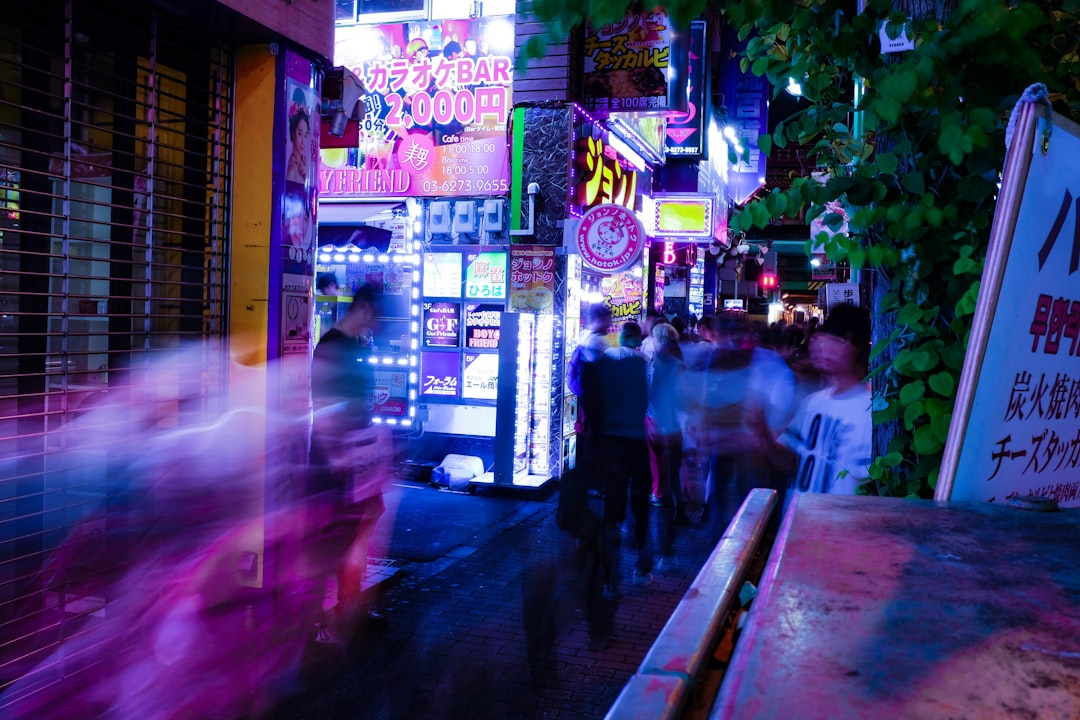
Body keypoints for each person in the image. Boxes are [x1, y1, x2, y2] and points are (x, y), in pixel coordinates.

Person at [308, 284, 390, 643]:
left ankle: (350, 604)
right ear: (365, 308)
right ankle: (315, 621)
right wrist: (337, 456)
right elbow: (323, 406)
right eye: (378, 314)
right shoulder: (330, 347)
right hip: (334, 464)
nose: (379, 322)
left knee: (361, 531)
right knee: (331, 539)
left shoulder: (357, 346)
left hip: (358, 459)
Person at [759, 302, 873, 504]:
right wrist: (761, 433)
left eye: (832, 340)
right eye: (820, 341)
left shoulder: (871, 409)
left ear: (853, 345)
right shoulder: (812, 403)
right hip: (797, 524)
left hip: (842, 530)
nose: (820, 349)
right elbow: (789, 461)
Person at [581, 322, 653, 592]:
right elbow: (652, 398)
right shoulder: (644, 362)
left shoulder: (604, 363)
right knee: (640, 501)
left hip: (611, 441)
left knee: (613, 501)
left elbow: (592, 398)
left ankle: (610, 577)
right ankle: (641, 566)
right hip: (637, 439)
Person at [646, 322, 689, 561]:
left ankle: (662, 500)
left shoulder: (653, 363)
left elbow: (648, 392)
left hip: (654, 421)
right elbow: (685, 397)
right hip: (673, 424)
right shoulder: (678, 365)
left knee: (658, 466)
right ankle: (677, 509)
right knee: (674, 468)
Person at [286, 98, 312, 185]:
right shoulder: (292, 169)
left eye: (305, 135)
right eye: (300, 134)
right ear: (293, 133)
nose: (303, 141)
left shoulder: (303, 162)